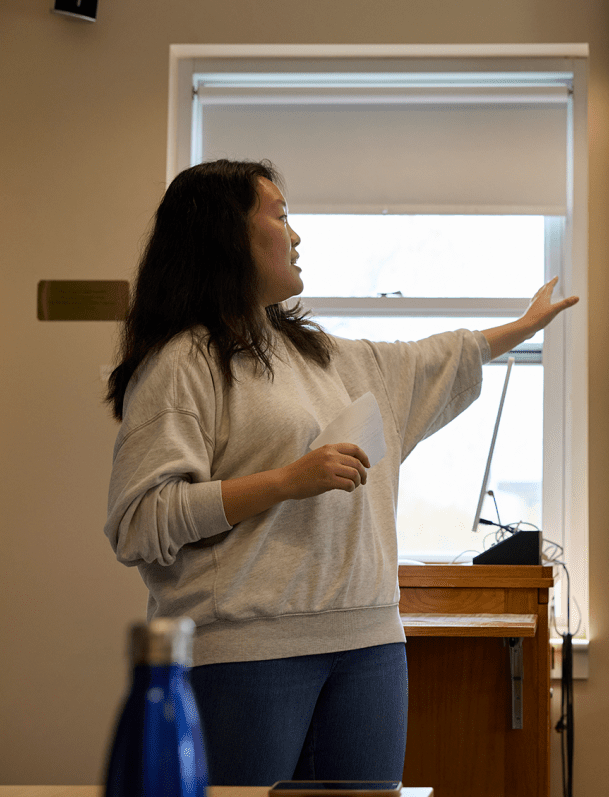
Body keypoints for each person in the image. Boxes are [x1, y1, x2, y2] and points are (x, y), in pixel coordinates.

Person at [103, 159, 578, 786]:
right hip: (248, 651)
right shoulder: (182, 363)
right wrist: (287, 480)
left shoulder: (324, 355)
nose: (296, 236)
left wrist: (519, 329)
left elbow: (426, 360)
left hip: (371, 645)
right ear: (225, 235)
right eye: (280, 217)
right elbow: (140, 522)